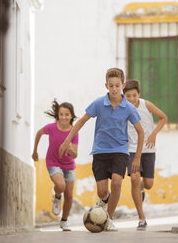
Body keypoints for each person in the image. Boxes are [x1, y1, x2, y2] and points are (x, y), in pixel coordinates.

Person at [59, 68, 144, 231]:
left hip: (120, 150)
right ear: (106, 85)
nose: (114, 89)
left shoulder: (129, 108)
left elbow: (140, 132)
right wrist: (66, 140)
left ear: (123, 85)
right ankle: (104, 200)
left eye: (117, 85)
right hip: (100, 151)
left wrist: (137, 158)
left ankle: (108, 218)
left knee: (117, 183)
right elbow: (82, 120)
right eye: (111, 85)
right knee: (102, 191)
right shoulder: (99, 103)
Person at [123, 79, 167, 231]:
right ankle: (141, 218)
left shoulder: (146, 104)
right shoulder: (122, 108)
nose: (132, 99)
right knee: (134, 178)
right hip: (131, 149)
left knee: (148, 184)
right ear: (124, 96)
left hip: (148, 149)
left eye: (134, 95)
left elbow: (163, 117)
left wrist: (154, 133)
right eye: (128, 96)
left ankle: (141, 188)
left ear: (139, 94)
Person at [32, 99, 79, 231]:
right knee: (60, 185)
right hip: (53, 162)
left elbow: (75, 155)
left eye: (67, 114)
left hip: (69, 165)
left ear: (71, 116)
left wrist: (70, 148)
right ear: (58, 115)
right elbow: (39, 133)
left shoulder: (74, 132)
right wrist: (35, 151)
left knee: (69, 195)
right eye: (61, 114)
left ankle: (64, 221)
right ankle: (57, 196)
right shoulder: (51, 128)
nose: (64, 117)